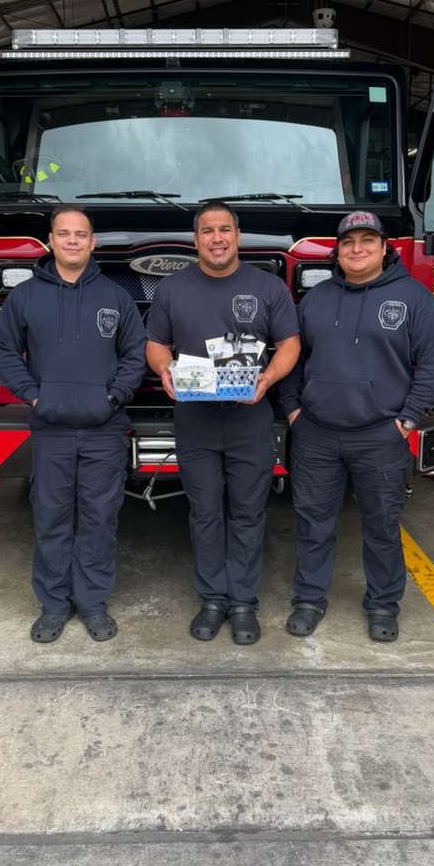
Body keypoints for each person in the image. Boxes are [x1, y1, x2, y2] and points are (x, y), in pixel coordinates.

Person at [277, 211, 434, 642]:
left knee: (381, 525)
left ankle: (382, 604)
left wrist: (407, 419)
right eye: (349, 241)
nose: (357, 249)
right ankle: (309, 599)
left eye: (367, 241)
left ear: (383, 247)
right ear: (337, 250)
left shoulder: (414, 299)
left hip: (380, 435)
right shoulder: (316, 300)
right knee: (313, 523)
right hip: (316, 432)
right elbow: (292, 360)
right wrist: (293, 410)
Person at [146, 201, 300, 645]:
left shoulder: (267, 287)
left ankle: (244, 603)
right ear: (196, 240)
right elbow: (156, 345)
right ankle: (213, 598)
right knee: (206, 513)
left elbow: (289, 343)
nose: (217, 238)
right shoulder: (173, 289)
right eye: (207, 231)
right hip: (195, 419)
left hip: (250, 417)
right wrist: (164, 370)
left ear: (238, 235)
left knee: (249, 513)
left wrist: (268, 378)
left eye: (225, 229)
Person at [0, 206, 146, 644]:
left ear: (93, 242)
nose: (73, 241)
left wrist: (113, 397)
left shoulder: (115, 297)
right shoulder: (24, 297)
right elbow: (4, 351)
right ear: (51, 240)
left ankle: (93, 605)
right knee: (52, 519)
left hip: (105, 430)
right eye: (65, 234)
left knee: (99, 520)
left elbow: (136, 354)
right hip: (52, 431)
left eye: (81, 234)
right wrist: (34, 395)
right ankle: (54, 606)